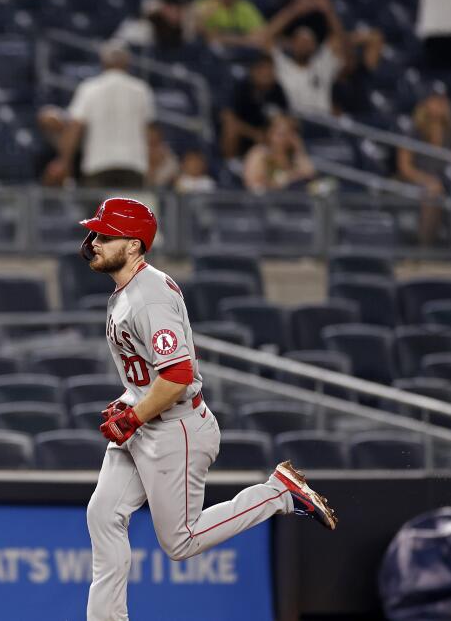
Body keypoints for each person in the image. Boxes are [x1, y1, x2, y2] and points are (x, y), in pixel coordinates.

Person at [78, 197, 336, 621]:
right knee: (103, 514)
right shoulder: (129, 290)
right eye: (96, 233)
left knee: (180, 542)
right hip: (149, 422)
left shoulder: (149, 296)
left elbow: (177, 376)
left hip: (174, 429)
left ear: (135, 245)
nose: (95, 241)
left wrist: (135, 414)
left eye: (107, 235)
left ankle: (277, 494)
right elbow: (150, 371)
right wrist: (131, 400)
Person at [45, 41, 156, 189]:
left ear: (103, 61)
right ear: (127, 61)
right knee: (130, 212)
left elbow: (75, 127)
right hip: (133, 165)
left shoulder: (89, 89)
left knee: (100, 211)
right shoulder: (141, 89)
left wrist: (64, 162)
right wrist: (152, 167)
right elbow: (150, 133)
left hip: (98, 165)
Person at [396, 93, 451, 246]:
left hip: (445, 181)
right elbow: (405, 168)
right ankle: (425, 248)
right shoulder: (414, 130)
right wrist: (427, 180)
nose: (439, 104)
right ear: (426, 103)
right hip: (416, 181)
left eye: (443, 100)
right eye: (435, 100)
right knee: (432, 192)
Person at [263, 0, 346, 117]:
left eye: (308, 42)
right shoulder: (283, 65)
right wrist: (294, 10)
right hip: (296, 122)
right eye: (299, 41)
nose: (303, 45)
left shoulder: (322, 64)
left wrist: (327, 11)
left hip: (325, 123)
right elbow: (265, 38)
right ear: (292, 44)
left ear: (314, 46)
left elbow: (339, 41)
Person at [220, 54, 288, 159]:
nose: (267, 73)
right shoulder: (241, 87)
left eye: (270, 69)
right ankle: (230, 164)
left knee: (286, 131)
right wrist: (254, 134)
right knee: (230, 129)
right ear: (254, 71)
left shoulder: (277, 89)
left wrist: (271, 132)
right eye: (263, 69)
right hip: (244, 134)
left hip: (268, 134)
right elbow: (227, 117)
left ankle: (285, 166)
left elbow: (285, 117)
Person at [243, 115, 317, 193]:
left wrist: (299, 149)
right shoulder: (259, 154)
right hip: (269, 201)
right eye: (281, 134)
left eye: (290, 134)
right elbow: (254, 186)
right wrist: (289, 178)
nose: (284, 139)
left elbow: (310, 175)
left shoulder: (292, 155)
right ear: (270, 134)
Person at [332, 27, 385, 116]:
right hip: (348, 121)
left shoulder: (360, 70)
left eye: (351, 58)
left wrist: (350, 40)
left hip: (367, 117)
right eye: (346, 58)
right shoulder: (333, 80)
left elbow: (377, 38)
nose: (349, 61)